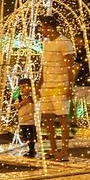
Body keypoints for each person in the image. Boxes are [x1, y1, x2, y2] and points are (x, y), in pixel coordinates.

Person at [36, 15, 74, 162]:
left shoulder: (64, 42)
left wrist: (70, 86)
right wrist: (39, 84)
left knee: (63, 119)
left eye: (42, 28)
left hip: (60, 84)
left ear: (50, 28)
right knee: (47, 118)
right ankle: (53, 149)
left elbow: (70, 65)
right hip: (47, 85)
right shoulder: (46, 43)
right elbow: (45, 64)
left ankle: (64, 151)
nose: (41, 30)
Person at [14, 77, 37, 158]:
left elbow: (35, 99)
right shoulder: (19, 98)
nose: (22, 89)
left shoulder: (32, 97)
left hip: (31, 121)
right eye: (20, 87)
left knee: (31, 136)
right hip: (22, 120)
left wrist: (25, 101)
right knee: (25, 136)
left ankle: (32, 150)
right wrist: (21, 103)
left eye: (24, 87)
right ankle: (29, 148)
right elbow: (16, 106)